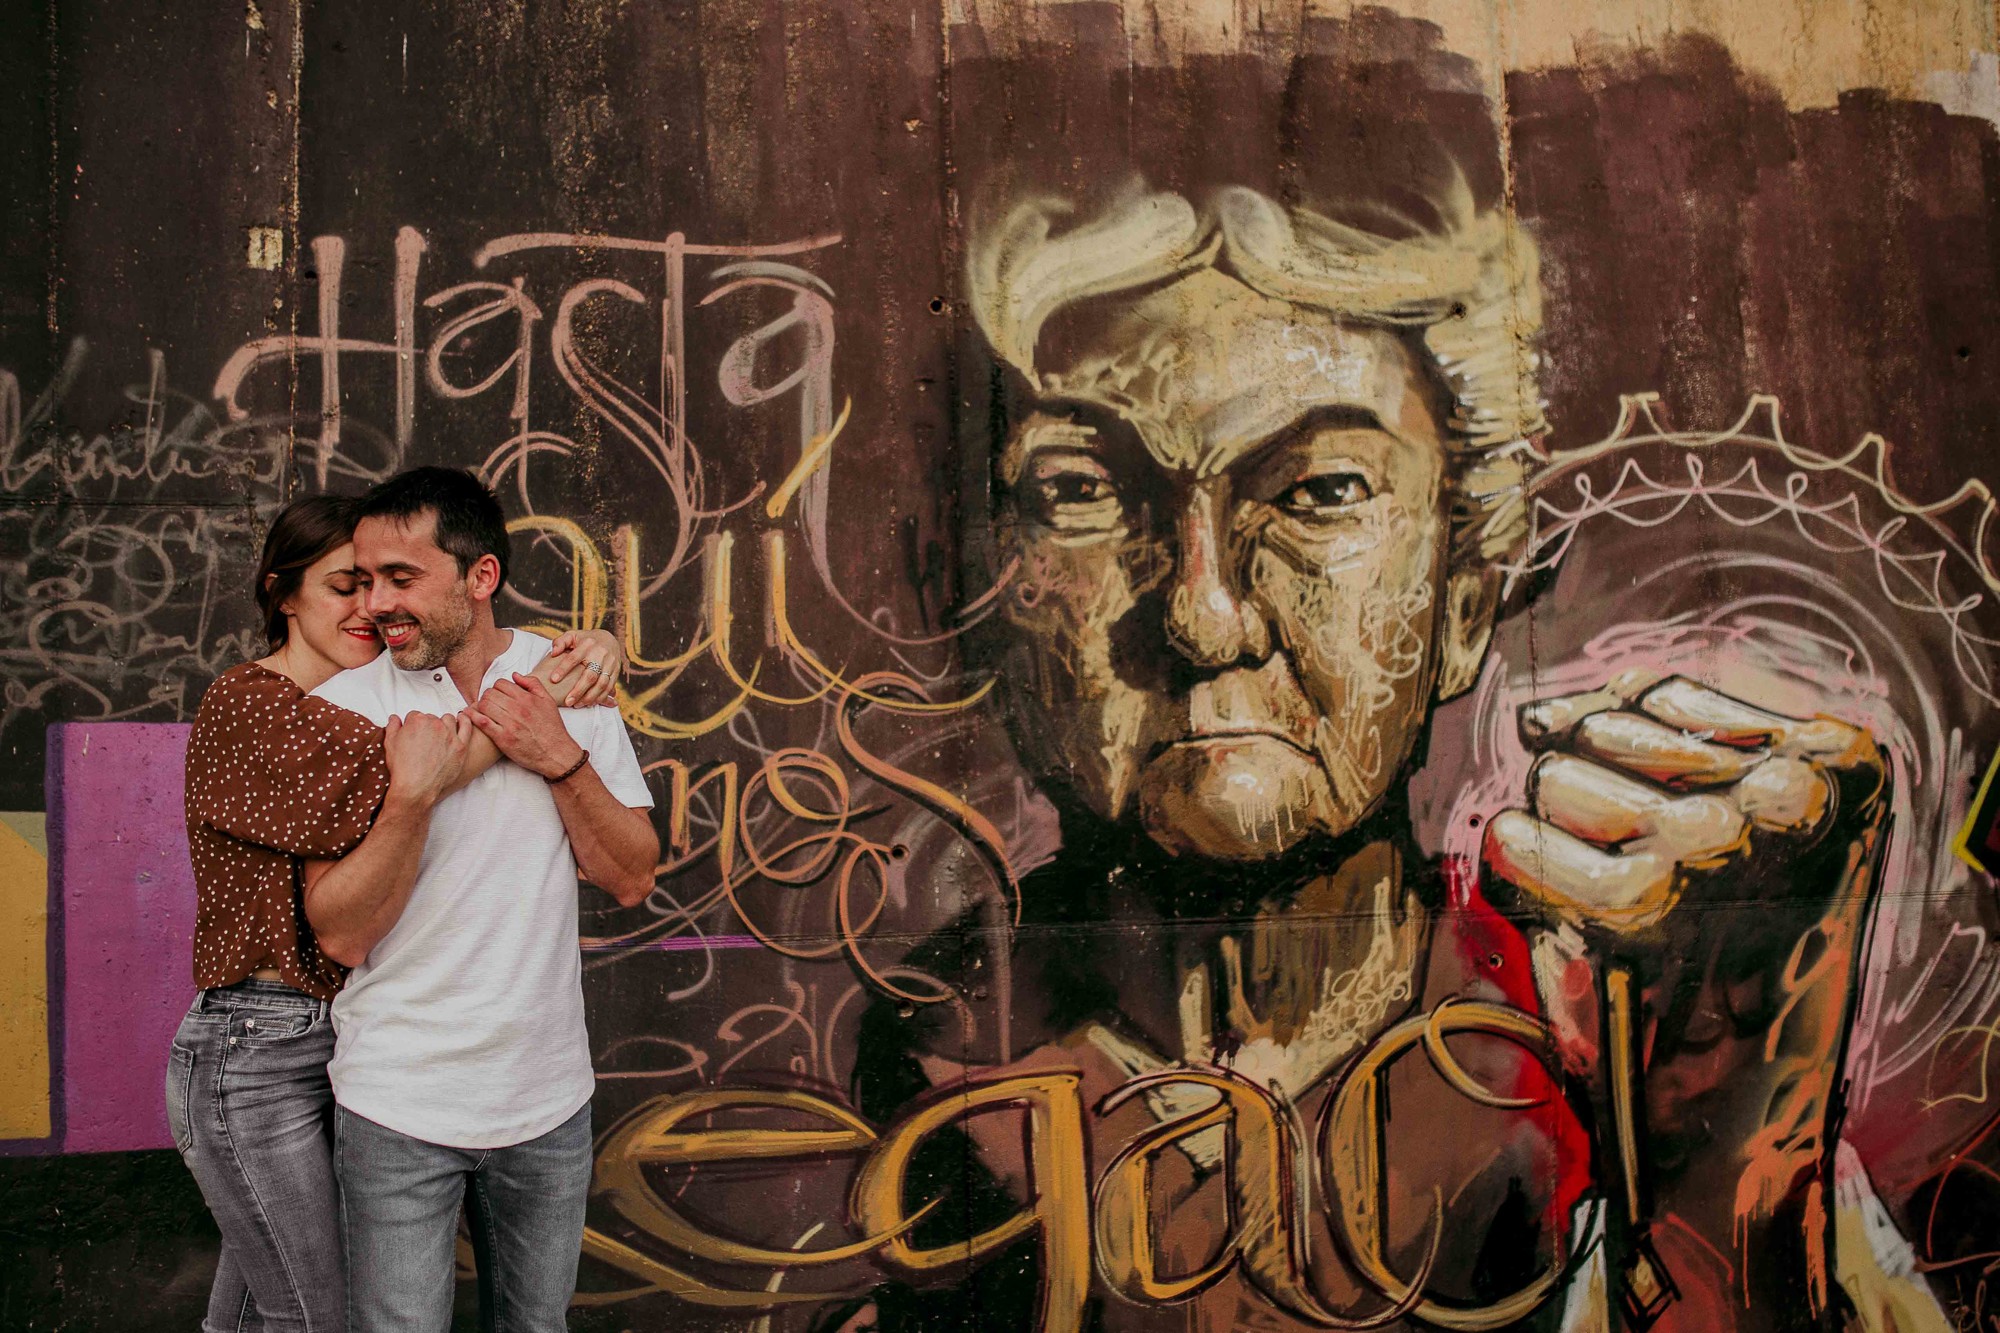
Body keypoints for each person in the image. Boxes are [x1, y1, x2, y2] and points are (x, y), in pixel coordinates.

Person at [843, 182, 1930, 1331]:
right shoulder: (918, 1072)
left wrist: (1725, 1191)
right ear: (972, 594)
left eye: (1317, 492)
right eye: (1084, 492)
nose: (1205, 619)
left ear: (1463, 605)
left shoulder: (1585, 1038)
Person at [170, 493, 624, 1333]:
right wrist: (545, 695)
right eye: (346, 585)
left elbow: (455, 675)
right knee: (313, 1316)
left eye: (381, 582)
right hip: (256, 1043)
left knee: (254, 1308)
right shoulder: (257, 705)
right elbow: (425, 770)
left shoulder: (342, 702)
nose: (370, 606)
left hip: (326, 1033)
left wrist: (587, 649)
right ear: (282, 594)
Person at [303, 467, 660, 1332]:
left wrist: (560, 757)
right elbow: (342, 933)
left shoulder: (567, 682)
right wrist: (411, 799)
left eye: (402, 578)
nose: (377, 604)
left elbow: (632, 875)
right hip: (397, 1102)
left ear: (481, 577)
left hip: (546, 1100)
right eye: (364, 578)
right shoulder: (345, 708)